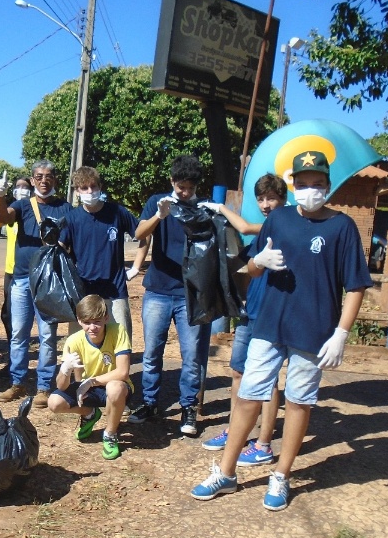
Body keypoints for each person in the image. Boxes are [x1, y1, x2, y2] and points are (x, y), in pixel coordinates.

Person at [190, 151, 373, 510]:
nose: (310, 191)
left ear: (327, 185)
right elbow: (251, 269)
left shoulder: (342, 227)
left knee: (299, 401)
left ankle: (282, 474)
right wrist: (258, 262)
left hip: (313, 331)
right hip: (269, 325)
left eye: (317, 185)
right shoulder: (279, 220)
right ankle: (226, 472)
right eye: (303, 184)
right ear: (294, 186)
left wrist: (342, 333)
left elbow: (356, 286)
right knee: (248, 395)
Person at [199, 174, 288, 465]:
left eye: (271, 198)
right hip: (250, 311)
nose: (266, 204)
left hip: (272, 314)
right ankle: (235, 429)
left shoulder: (285, 223)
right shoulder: (267, 231)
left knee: (268, 381)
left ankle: (263, 443)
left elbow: (246, 226)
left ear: (283, 199)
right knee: (238, 371)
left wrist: (221, 208)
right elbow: (246, 266)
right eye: (261, 199)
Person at [128, 155, 211, 437]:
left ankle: (189, 407)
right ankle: (150, 402)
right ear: (171, 181)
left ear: (196, 185)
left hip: (190, 294)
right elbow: (139, 233)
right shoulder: (158, 202)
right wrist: (159, 216)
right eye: (178, 186)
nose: (182, 192)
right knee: (151, 352)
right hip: (159, 291)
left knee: (191, 356)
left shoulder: (204, 207)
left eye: (188, 187)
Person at [0, 161, 71, 408]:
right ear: (33, 180)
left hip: (49, 282)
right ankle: (17, 382)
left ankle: (44, 386)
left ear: (55, 179)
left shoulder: (64, 208)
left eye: (48, 176)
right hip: (22, 278)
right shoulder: (23, 205)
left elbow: (70, 243)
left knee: (47, 335)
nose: (43, 180)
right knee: (18, 334)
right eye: (38, 176)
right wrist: (0, 196)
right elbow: (2, 219)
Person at [47, 295, 133, 460]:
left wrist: (91, 381)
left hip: (114, 385)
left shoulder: (117, 331)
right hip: (86, 387)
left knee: (115, 388)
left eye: (97, 322)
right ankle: (89, 413)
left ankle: (110, 433)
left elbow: (123, 372)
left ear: (106, 318)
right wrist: (65, 370)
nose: (92, 327)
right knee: (54, 402)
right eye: (87, 322)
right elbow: (61, 386)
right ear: (79, 321)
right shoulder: (73, 341)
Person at [60, 166, 139, 340]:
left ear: (100, 187)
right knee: (78, 345)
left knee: (121, 341)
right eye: (84, 188)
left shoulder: (117, 212)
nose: (90, 191)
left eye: (93, 186)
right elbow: (58, 248)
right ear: (77, 191)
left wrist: (136, 267)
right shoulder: (72, 218)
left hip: (116, 290)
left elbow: (143, 235)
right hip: (82, 292)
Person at [0, 176, 32, 348]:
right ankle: (14, 347)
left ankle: (19, 350)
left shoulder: (32, 212)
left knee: (21, 314)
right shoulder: (11, 212)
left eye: (25, 186)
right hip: (11, 271)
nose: (21, 189)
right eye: (18, 186)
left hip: (29, 271)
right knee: (7, 314)